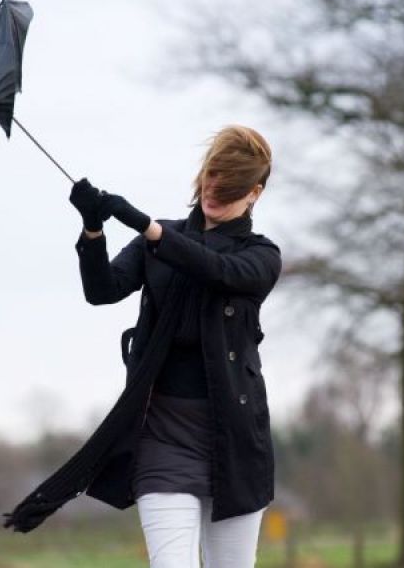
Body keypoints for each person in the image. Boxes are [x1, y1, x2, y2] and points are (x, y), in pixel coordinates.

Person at [67, 124, 281, 568]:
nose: (214, 192)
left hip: (234, 442)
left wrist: (148, 228)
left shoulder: (261, 256)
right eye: (211, 177)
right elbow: (102, 290)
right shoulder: (158, 239)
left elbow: (218, 270)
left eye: (230, 188)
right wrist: (93, 230)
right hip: (162, 438)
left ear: (254, 193)